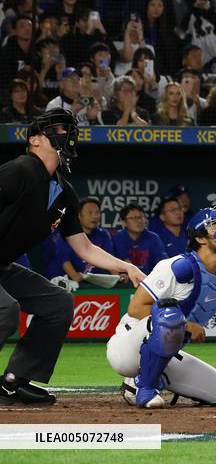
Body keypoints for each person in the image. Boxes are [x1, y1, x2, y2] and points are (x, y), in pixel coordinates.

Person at [0, 109, 143, 406]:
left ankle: (14, 382)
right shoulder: (20, 170)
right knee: (6, 310)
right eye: (58, 129)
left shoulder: (63, 191)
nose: (67, 134)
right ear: (34, 140)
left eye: (68, 129)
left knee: (58, 303)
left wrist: (127, 266)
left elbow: (85, 248)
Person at [107, 205, 216, 408]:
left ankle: (152, 375)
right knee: (170, 318)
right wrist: (187, 325)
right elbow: (136, 308)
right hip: (127, 349)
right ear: (200, 238)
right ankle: (144, 388)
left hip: (166, 352)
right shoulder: (177, 267)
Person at [51, 196, 115, 280]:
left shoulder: (103, 235)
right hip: (67, 281)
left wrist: (117, 276)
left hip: (95, 282)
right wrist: (74, 276)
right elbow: (64, 260)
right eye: (90, 213)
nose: (95, 216)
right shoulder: (67, 233)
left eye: (97, 212)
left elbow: (109, 258)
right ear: (79, 215)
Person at [112, 205, 166, 275]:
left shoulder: (153, 238)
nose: (139, 221)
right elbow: (122, 262)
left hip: (149, 280)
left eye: (141, 217)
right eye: (133, 218)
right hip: (126, 280)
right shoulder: (117, 238)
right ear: (124, 223)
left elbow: (161, 263)